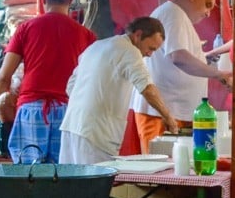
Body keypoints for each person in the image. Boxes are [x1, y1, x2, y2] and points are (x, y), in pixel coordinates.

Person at [0, 0, 96, 162]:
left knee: (30, 174)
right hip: (69, 111)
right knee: (63, 173)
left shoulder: (25, 29)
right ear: (71, 0)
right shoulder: (86, 35)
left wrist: (3, 117)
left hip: (31, 110)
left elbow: (3, 78)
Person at [130, 0, 232, 154]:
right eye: (207, 5)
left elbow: (178, 57)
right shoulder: (173, 14)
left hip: (175, 110)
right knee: (161, 169)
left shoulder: (177, 16)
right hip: (163, 112)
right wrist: (218, 74)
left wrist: (205, 61)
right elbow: (178, 57)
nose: (208, 13)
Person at [59, 17, 178, 164]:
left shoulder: (96, 46)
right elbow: (147, 88)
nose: (149, 54)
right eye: (151, 48)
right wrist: (168, 117)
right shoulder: (129, 51)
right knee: (94, 184)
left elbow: (71, 86)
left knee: (70, 184)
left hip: (71, 127)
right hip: (95, 134)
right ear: (138, 35)